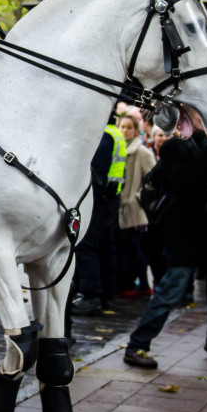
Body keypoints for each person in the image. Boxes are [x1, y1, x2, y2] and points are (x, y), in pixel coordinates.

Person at [123, 119, 207, 369]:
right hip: (183, 230)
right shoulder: (172, 148)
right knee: (172, 289)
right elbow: (183, 179)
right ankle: (137, 345)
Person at [72, 115, 126, 314]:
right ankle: (106, 296)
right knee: (105, 248)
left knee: (87, 246)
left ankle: (91, 296)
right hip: (110, 199)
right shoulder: (115, 133)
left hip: (98, 199)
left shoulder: (104, 135)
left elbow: (97, 171)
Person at [117, 113, 156, 297]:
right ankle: (127, 284)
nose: (125, 131)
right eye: (122, 127)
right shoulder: (116, 149)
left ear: (135, 130)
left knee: (136, 249)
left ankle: (143, 285)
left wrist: (138, 198)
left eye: (129, 127)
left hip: (134, 208)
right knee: (123, 249)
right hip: (118, 207)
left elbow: (152, 180)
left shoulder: (142, 152)